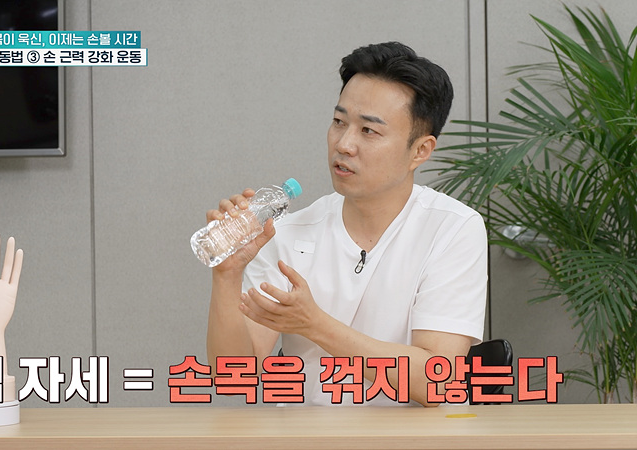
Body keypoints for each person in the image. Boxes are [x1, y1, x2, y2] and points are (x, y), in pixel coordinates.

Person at [204, 42, 487, 407]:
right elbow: (233, 377)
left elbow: (438, 381)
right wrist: (226, 276)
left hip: (414, 435)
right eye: (339, 122)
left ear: (420, 150)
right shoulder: (286, 232)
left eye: (369, 131)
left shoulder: (453, 229)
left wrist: (314, 325)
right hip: (306, 434)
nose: (344, 144)